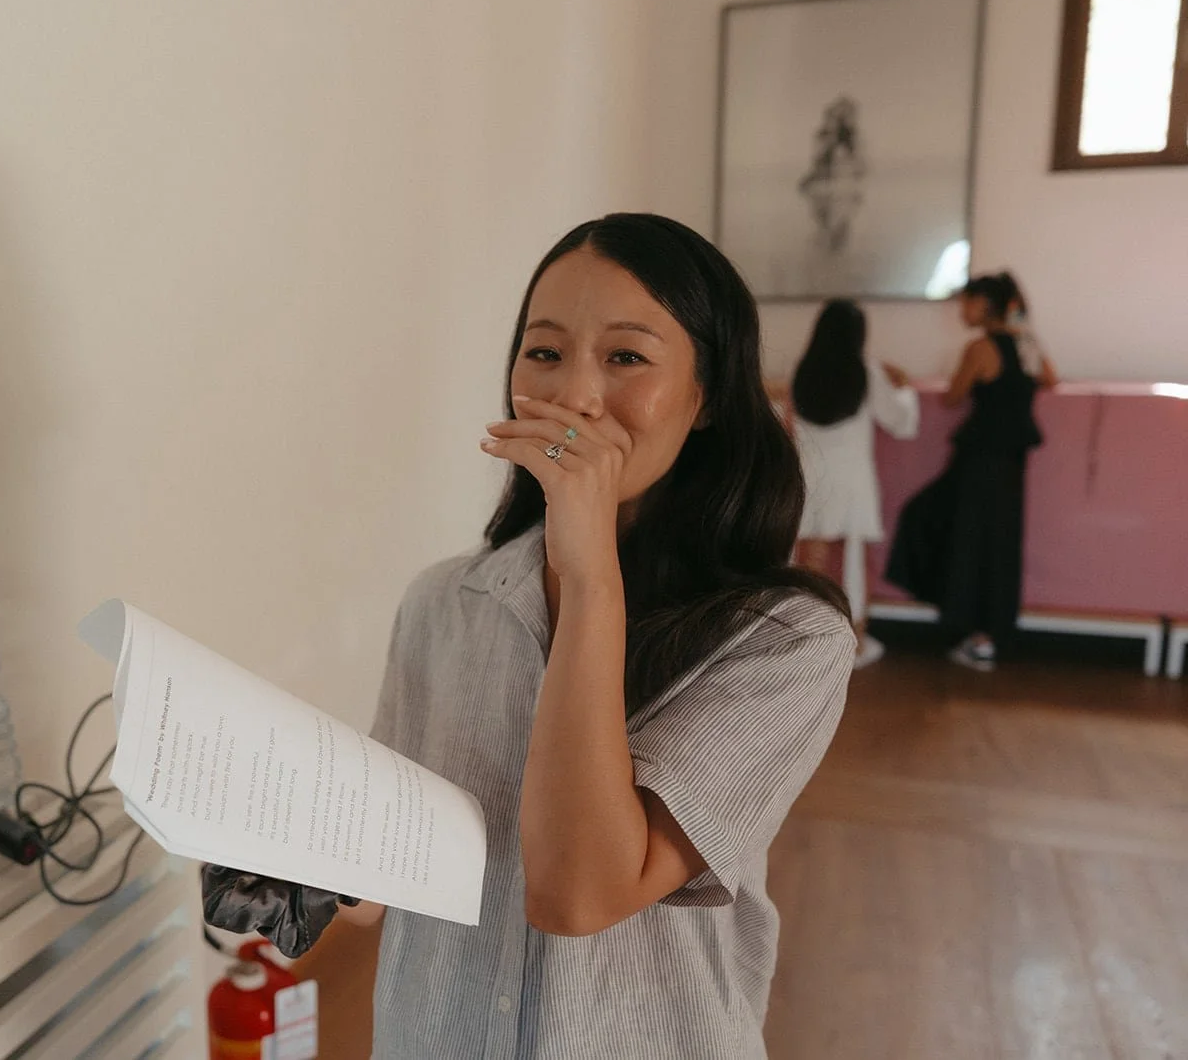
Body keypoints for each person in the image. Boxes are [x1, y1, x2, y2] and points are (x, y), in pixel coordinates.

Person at [203, 213, 855, 1059]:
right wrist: (283, 844)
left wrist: (589, 579)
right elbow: (392, 870)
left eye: (626, 357)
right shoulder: (444, 602)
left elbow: (578, 895)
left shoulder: (786, 642)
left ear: (706, 398)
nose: (573, 395)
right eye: (544, 351)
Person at [886, 272, 1056, 671]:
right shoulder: (1026, 344)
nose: (962, 310)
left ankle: (974, 633)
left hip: (979, 460)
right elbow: (1049, 379)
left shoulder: (980, 347)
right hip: (1012, 463)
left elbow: (952, 397)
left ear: (983, 304)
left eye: (966, 302)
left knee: (954, 534)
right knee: (998, 546)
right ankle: (989, 636)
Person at [790, 299, 919, 668]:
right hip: (851, 480)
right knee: (852, 563)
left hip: (808, 476)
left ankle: (802, 637)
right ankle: (855, 640)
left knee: (807, 560)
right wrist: (905, 387)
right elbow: (901, 423)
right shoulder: (867, 371)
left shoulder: (802, 369)